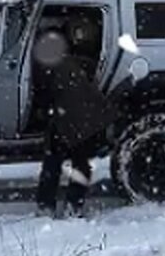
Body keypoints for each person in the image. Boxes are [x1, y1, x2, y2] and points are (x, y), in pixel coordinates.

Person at [31, 27, 113, 217]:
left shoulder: (44, 67)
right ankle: (73, 206)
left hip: (68, 117)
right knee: (80, 163)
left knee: (53, 163)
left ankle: (46, 207)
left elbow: (43, 95)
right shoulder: (73, 62)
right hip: (88, 117)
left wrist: (43, 113)